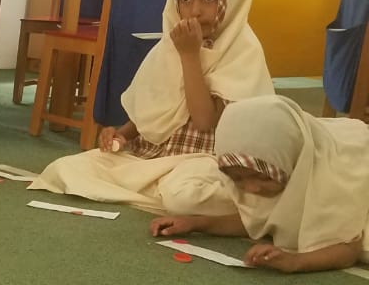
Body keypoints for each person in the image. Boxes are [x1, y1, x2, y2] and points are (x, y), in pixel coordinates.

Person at [32, 0, 274, 214]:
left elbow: (204, 121)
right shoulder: (170, 46)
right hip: (152, 156)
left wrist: (190, 56)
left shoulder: (242, 52)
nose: (195, 10)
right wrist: (122, 135)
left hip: (203, 161)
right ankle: (156, 189)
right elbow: (154, 108)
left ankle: (176, 194)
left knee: (182, 196)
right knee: (65, 167)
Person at [150, 96, 369, 273]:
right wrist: (195, 223)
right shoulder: (277, 163)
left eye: (263, 178)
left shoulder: (332, 178)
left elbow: (348, 249)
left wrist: (296, 261)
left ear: (292, 161)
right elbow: (258, 218)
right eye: (237, 178)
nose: (252, 188)